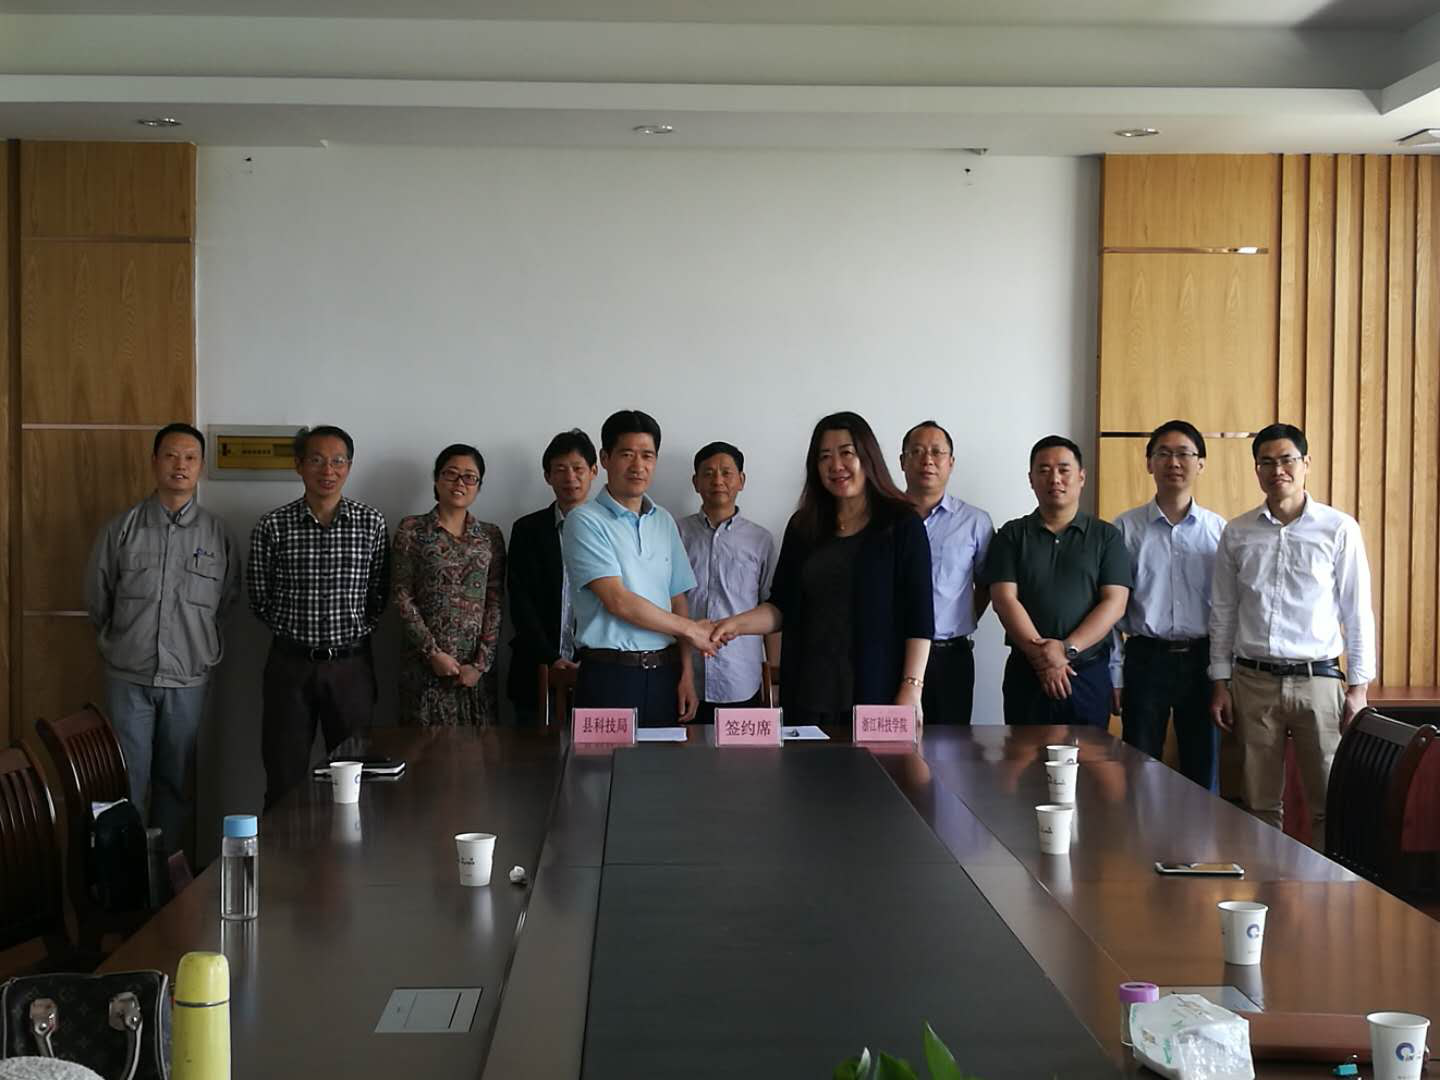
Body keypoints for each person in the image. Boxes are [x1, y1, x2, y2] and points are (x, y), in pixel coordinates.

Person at [1209, 423, 1375, 848]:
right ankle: (1267, 882)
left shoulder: (1338, 528)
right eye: (1266, 462)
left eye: (1287, 460)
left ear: (1306, 464)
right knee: (1258, 803)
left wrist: (1358, 688)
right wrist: (1220, 681)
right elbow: (1224, 611)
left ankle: (1328, 885)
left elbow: (1357, 612)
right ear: (1256, 470)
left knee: (1328, 801)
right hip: (1253, 682)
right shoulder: (1237, 532)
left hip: (1318, 681)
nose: (1277, 470)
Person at [712, 412, 933, 726]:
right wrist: (733, 625)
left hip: (878, 691)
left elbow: (919, 616)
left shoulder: (902, 524)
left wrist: (911, 688)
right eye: (825, 456)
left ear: (868, 457)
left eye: (846, 453)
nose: (836, 465)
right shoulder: (804, 526)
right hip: (808, 692)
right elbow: (781, 607)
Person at [84, 422, 239, 855]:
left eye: (190, 457)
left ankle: (168, 878)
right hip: (128, 677)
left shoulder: (218, 534)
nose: (180, 465)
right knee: (123, 783)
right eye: (171, 455)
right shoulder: (123, 529)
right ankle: (126, 881)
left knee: (176, 782)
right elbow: (98, 599)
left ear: (201, 466)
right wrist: (122, 643)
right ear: (154, 462)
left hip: (187, 679)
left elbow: (227, 602)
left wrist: (196, 646)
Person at [248, 425, 390, 808]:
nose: (328, 470)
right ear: (299, 465)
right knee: (284, 777)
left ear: (349, 467)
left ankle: (348, 850)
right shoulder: (272, 525)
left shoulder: (371, 523)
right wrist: (297, 634)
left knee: (353, 782)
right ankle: (283, 849)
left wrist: (352, 631)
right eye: (317, 460)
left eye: (338, 461)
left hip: (351, 668)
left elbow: (379, 592)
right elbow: (259, 598)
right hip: (289, 666)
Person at [560, 410, 715, 727]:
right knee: (602, 761)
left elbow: (678, 600)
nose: (638, 466)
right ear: (605, 458)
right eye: (627, 454)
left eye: (647, 455)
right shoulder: (584, 520)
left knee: (662, 760)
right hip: (609, 676)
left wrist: (686, 674)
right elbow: (618, 600)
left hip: (664, 675)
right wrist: (690, 629)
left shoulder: (664, 521)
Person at [1108, 420, 1226, 788]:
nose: (1174, 462)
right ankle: (1140, 829)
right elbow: (1110, 609)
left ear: (1200, 464)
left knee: (1202, 771)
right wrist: (1115, 673)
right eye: (1164, 453)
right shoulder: (1124, 529)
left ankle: (1201, 830)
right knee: (1139, 770)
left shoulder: (1219, 531)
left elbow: (1229, 610)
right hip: (1145, 658)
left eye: (1184, 454)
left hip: (1202, 660)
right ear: (1149, 463)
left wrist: (1225, 676)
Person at [983, 435, 1130, 727]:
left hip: (1086, 672)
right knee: (1023, 754)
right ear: (1031, 479)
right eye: (1044, 470)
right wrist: (1042, 659)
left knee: (1089, 754)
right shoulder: (1011, 535)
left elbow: (1115, 603)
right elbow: (1003, 600)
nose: (1055, 479)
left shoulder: (1106, 536)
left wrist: (1066, 650)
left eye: (1064, 469)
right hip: (1027, 673)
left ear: (1081, 477)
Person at [392, 444, 506, 726]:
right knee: (424, 749)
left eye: (470, 477)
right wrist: (433, 653)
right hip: (424, 668)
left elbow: (494, 601)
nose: (460, 483)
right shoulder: (411, 529)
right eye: (451, 474)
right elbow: (401, 595)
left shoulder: (490, 535)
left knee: (477, 749)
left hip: (474, 674)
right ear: (436, 478)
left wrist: (480, 664)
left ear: (479, 485)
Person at [899, 419, 994, 724]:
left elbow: (986, 584)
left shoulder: (975, 522)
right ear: (902, 462)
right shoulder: (882, 518)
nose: (927, 460)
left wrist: (957, 620)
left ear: (951, 462)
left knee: (951, 746)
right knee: (888, 744)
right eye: (917, 451)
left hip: (950, 658)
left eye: (937, 452)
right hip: (891, 654)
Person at [678, 441, 777, 725]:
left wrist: (774, 676)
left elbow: (771, 607)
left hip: (741, 677)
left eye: (726, 472)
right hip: (686, 676)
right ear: (695, 482)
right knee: (685, 751)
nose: (717, 480)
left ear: (741, 480)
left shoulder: (761, 540)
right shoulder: (675, 533)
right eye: (708, 473)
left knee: (741, 754)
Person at [506, 429, 598, 725]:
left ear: (594, 471)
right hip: (535, 669)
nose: (570, 477)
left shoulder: (612, 529)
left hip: (597, 670)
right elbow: (520, 600)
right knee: (531, 752)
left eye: (578, 468)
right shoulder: (527, 530)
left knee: (595, 753)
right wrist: (549, 657)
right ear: (547, 476)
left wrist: (590, 660)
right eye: (560, 469)